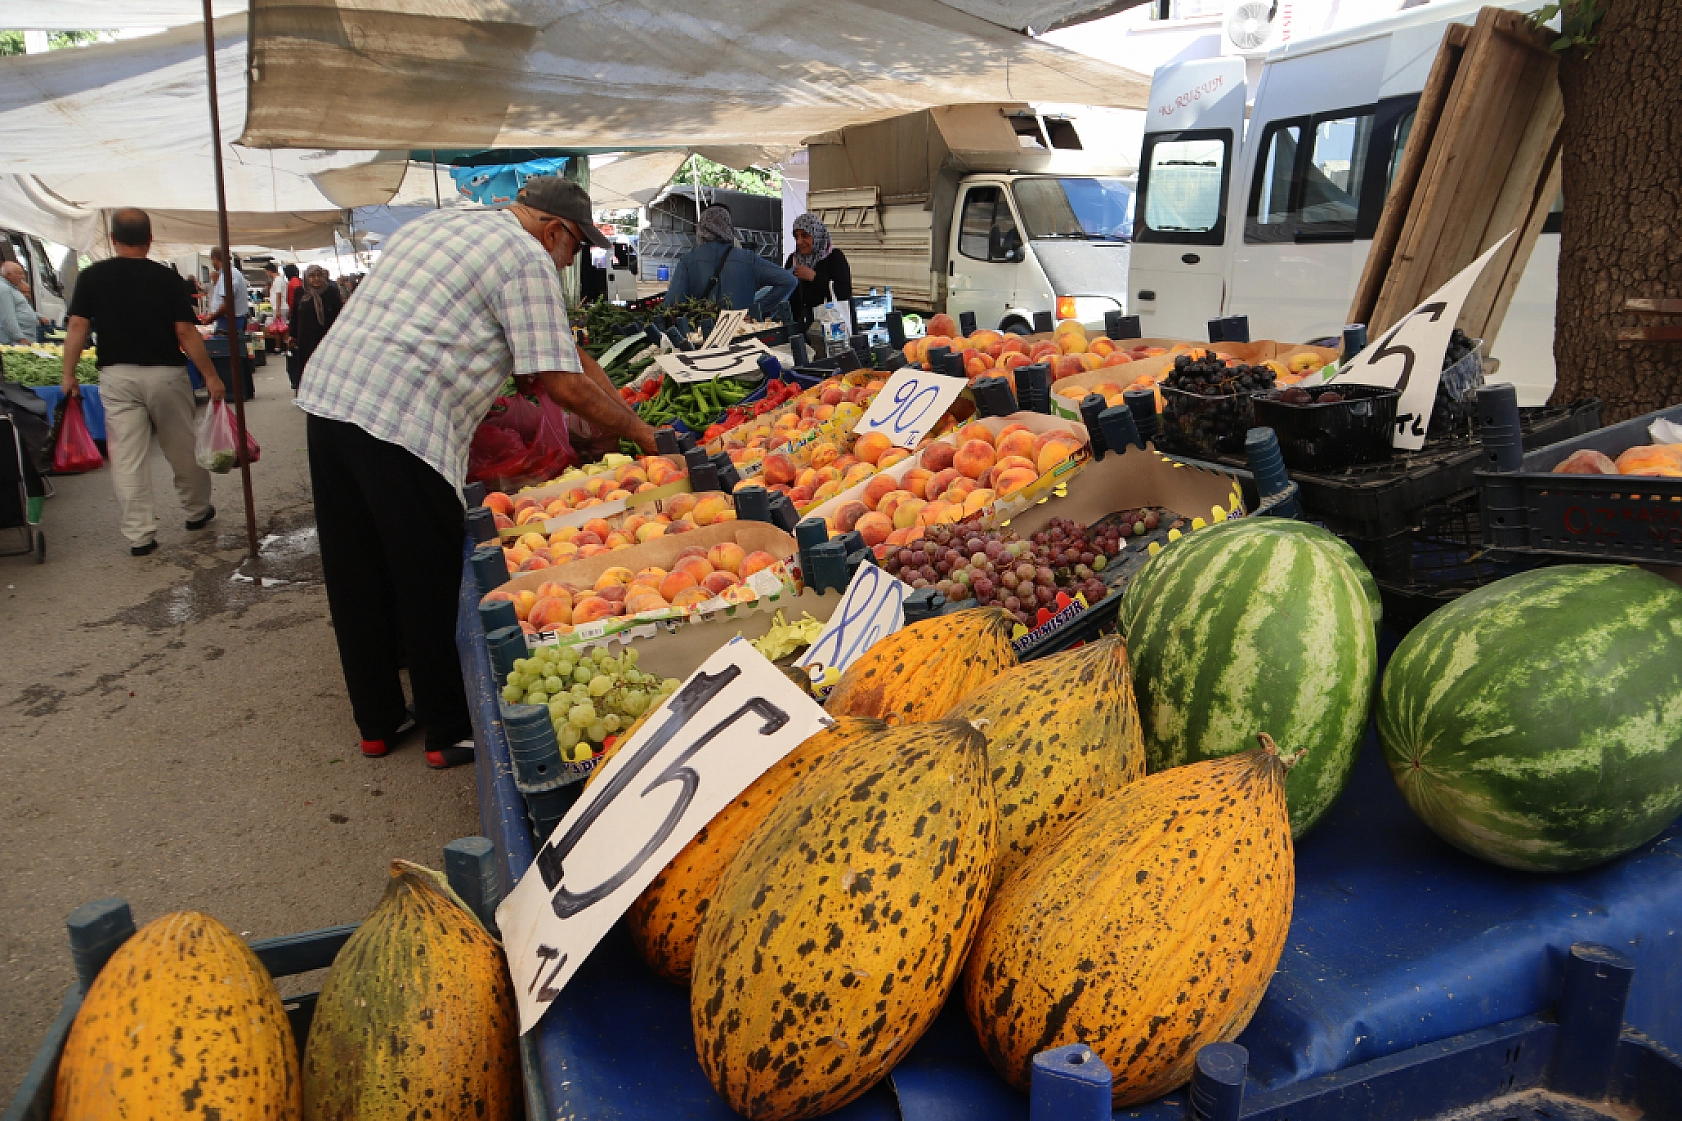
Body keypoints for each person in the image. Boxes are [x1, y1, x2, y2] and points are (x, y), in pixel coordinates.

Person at [297, 175, 657, 770]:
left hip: (329, 401)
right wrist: (641, 433)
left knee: (357, 569)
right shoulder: (526, 257)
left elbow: (559, 353)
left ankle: (378, 724)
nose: (568, 262)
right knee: (428, 574)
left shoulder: (447, 223)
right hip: (401, 419)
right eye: (574, 249)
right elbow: (561, 380)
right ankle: (447, 730)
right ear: (555, 231)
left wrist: (618, 406)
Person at [59, 208, 224, 556]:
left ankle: (140, 535)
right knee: (181, 446)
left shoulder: (92, 277)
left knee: (127, 456)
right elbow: (185, 331)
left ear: (113, 240)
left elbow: (77, 326)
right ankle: (196, 512)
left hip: (116, 375)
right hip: (166, 373)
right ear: (150, 240)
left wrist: (68, 373)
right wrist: (210, 375)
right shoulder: (167, 279)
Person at [664, 205, 797, 317]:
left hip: (700, 336)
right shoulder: (748, 259)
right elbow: (789, 281)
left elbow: (671, 305)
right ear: (728, 228)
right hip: (741, 332)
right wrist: (755, 311)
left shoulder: (687, 261)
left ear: (701, 229)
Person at [784, 212, 853, 345]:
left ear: (817, 235)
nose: (799, 241)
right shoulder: (793, 260)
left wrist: (813, 277)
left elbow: (844, 292)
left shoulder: (834, 257)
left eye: (804, 235)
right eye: (796, 236)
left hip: (830, 332)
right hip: (801, 333)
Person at [286, 265, 341, 393]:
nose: (316, 279)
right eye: (312, 276)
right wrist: (292, 335)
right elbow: (294, 314)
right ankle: (306, 393)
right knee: (306, 366)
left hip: (326, 337)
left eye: (319, 275)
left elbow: (339, 315)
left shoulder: (331, 292)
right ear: (306, 277)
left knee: (326, 367)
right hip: (305, 337)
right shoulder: (300, 292)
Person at [0, 261, 48, 344]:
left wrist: (37, 316)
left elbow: (19, 308)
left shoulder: (11, 288)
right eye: (19, 274)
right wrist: (20, 338)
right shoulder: (4, 289)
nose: (23, 277)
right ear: (8, 275)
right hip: (15, 342)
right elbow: (7, 318)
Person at [204, 246, 248, 335]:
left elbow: (226, 303)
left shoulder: (228, 275)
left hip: (230, 320)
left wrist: (212, 317)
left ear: (215, 258)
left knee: (225, 347)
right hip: (231, 319)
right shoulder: (230, 273)